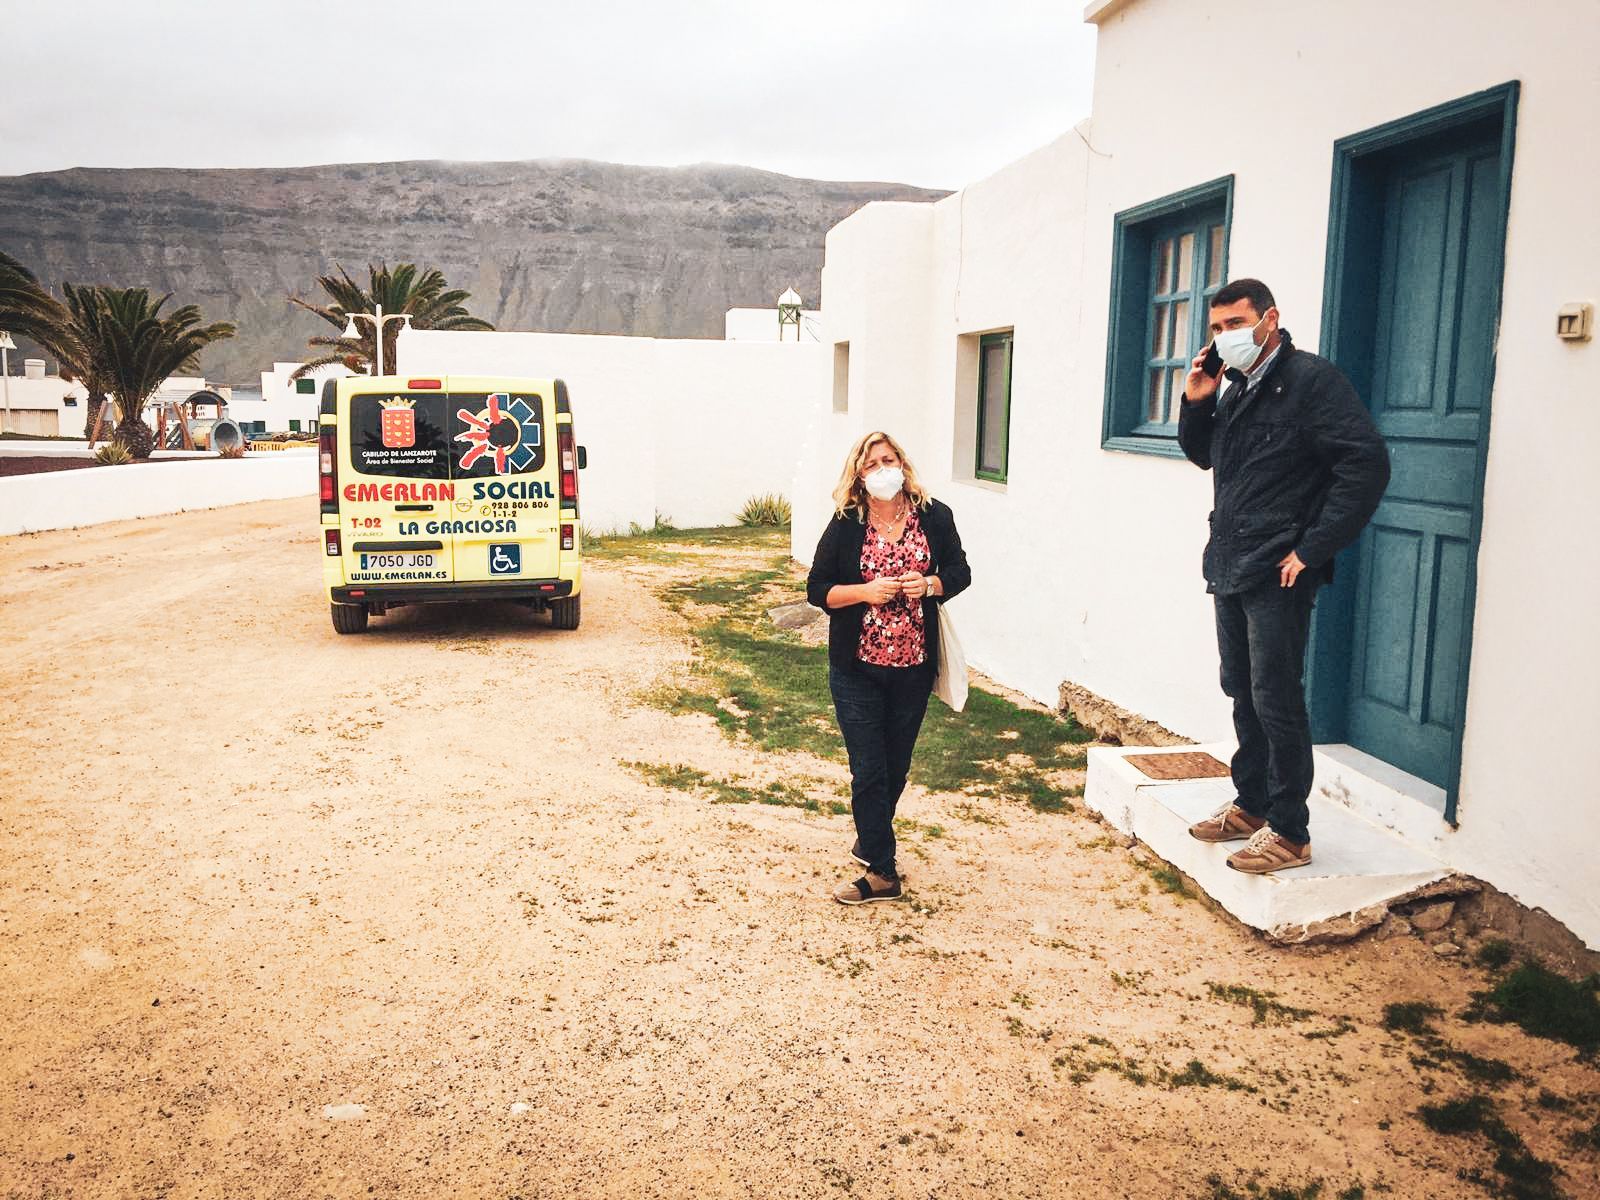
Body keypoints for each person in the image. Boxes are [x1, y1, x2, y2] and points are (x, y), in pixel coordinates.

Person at [1178, 278, 1389, 874]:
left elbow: (1365, 463)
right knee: (1241, 687)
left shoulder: (1311, 382)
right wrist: (1197, 400)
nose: (1226, 338)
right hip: (1231, 561)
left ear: (1269, 319)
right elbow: (1204, 456)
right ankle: (1252, 804)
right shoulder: (1237, 384)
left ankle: (1290, 831)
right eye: (1217, 329)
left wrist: (1313, 547)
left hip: (1280, 569)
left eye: (1235, 324)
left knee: (1276, 695)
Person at [806, 431, 971, 904]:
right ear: (859, 476)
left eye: (888, 459)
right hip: (856, 667)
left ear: (902, 462)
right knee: (869, 768)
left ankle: (870, 835)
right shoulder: (847, 523)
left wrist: (931, 584)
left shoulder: (934, 516)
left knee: (895, 767)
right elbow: (817, 589)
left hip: (912, 668)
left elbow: (960, 572)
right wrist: (864, 591)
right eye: (872, 464)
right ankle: (882, 871)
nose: (882, 469)